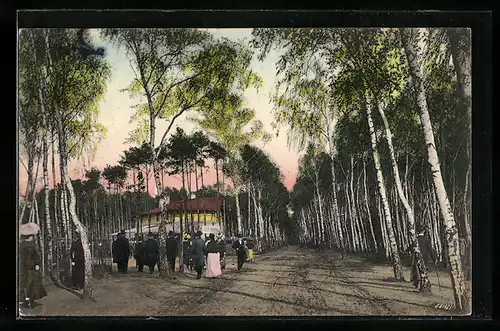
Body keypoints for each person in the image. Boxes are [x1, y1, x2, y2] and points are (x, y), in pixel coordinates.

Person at [19, 223, 47, 309]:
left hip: (23, 268)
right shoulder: (30, 246)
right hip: (31, 268)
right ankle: (28, 301)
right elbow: (32, 257)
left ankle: (28, 300)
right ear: (30, 237)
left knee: (26, 283)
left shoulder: (21, 245)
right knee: (31, 284)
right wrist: (35, 265)